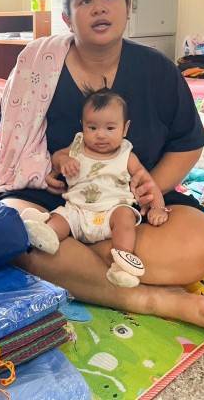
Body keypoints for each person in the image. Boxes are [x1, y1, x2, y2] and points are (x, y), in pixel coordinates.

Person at [0, 0, 204, 338]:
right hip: (55, 200)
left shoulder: (156, 69)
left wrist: (149, 187)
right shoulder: (37, 65)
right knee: (9, 228)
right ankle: (150, 297)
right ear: (68, 19)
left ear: (128, 8)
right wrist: (46, 169)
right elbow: (12, 135)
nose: (99, 7)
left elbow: (187, 144)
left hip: (128, 203)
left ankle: (85, 262)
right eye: (85, 0)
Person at [22, 85, 170, 288]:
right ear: (82, 125)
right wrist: (63, 160)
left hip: (111, 214)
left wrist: (158, 207)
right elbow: (57, 156)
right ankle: (45, 235)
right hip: (77, 211)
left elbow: (148, 183)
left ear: (125, 129)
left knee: (126, 217)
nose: (100, 135)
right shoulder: (77, 145)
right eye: (92, 128)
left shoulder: (127, 155)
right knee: (60, 217)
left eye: (110, 128)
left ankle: (123, 262)